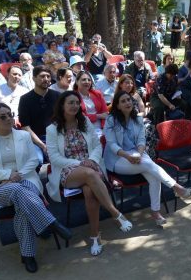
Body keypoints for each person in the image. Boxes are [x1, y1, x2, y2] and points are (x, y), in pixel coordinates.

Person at [0, 103, 72, 273]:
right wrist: (7, 175)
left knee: (22, 203)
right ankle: (51, 223)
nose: (9, 119)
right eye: (3, 116)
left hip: (26, 180)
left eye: (10, 114)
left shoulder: (23, 136)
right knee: (18, 191)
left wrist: (17, 175)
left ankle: (28, 255)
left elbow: (34, 160)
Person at [46, 91, 132, 256]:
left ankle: (94, 236)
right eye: (70, 102)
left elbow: (97, 146)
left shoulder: (84, 121)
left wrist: (91, 160)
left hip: (91, 165)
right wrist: (80, 163)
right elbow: (54, 158)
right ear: (62, 105)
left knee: (89, 190)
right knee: (89, 175)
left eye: (77, 103)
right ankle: (115, 213)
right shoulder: (52, 129)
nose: (74, 106)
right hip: (68, 169)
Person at [103, 91, 191, 225]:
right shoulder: (111, 120)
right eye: (123, 101)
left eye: (129, 100)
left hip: (138, 155)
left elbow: (141, 141)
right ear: (117, 106)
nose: (128, 102)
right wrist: (128, 156)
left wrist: (138, 154)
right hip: (117, 158)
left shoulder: (138, 119)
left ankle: (156, 212)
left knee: (154, 175)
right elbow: (112, 145)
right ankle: (176, 187)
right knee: (150, 166)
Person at [18, 66, 61, 164]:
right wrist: (43, 146)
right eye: (42, 76)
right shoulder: (25, 99)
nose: (46, 79)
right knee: (37, 160)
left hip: (57, 138)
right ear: (33, 78)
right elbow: (25, 127)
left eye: (48, 76)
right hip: (35, 140)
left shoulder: (58, 96)